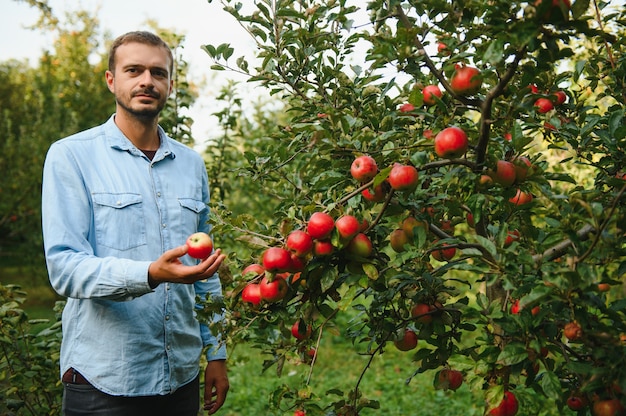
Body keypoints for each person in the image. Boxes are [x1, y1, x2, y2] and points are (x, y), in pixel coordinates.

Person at [41, 31, 229, 415]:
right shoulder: (71, 156)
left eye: (158, 73)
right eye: (134, 70)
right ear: (112, 80)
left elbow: (203, 267)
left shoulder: (191, 164)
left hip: (180, 377)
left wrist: (217, 352)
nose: (147, 80)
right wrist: (150, 274)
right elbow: (65, 268)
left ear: (170, 85)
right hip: (104, 380)